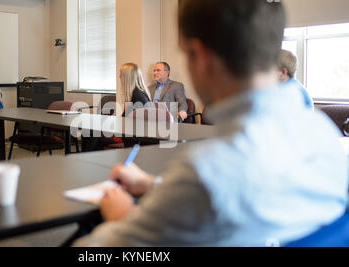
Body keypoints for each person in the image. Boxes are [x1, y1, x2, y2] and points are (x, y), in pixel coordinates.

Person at [74, 0, 348, 246]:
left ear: (200, 55)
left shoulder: (208, 170)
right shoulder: (323, 134)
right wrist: (156, 185)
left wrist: (121, 214)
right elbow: (240, 202)